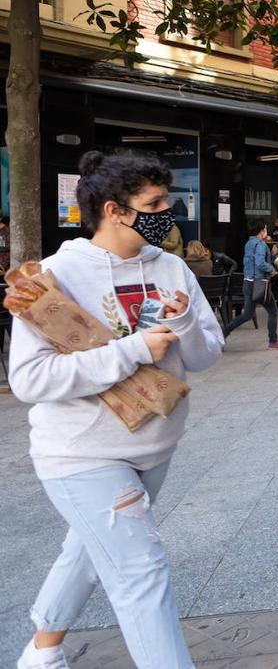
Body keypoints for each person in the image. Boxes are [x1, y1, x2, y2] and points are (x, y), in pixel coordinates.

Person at [10, 150, 223, 669]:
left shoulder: (171, 266)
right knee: (139, 570)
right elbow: (29, 379)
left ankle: (41, 652)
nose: (166, 212)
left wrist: (188, 320)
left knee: (85, 552)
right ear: (113, 210)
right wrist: (130, 350)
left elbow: (204, 356)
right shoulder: (52, 279)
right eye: (153, 203)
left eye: (166, 200)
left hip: (154, 444)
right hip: (81, 452)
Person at [222, 219, 278, 349]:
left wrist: (273, 255)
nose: (266, 231)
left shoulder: (249, 244)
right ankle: (273, 341)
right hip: (259, 284)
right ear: (261, 230)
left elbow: (256, 261)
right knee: (273, 311)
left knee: (247, 314)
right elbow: (260, 263)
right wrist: (272, 270)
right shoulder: (261, 245)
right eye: (265, 228)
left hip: (248, 282)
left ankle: (223, 332)